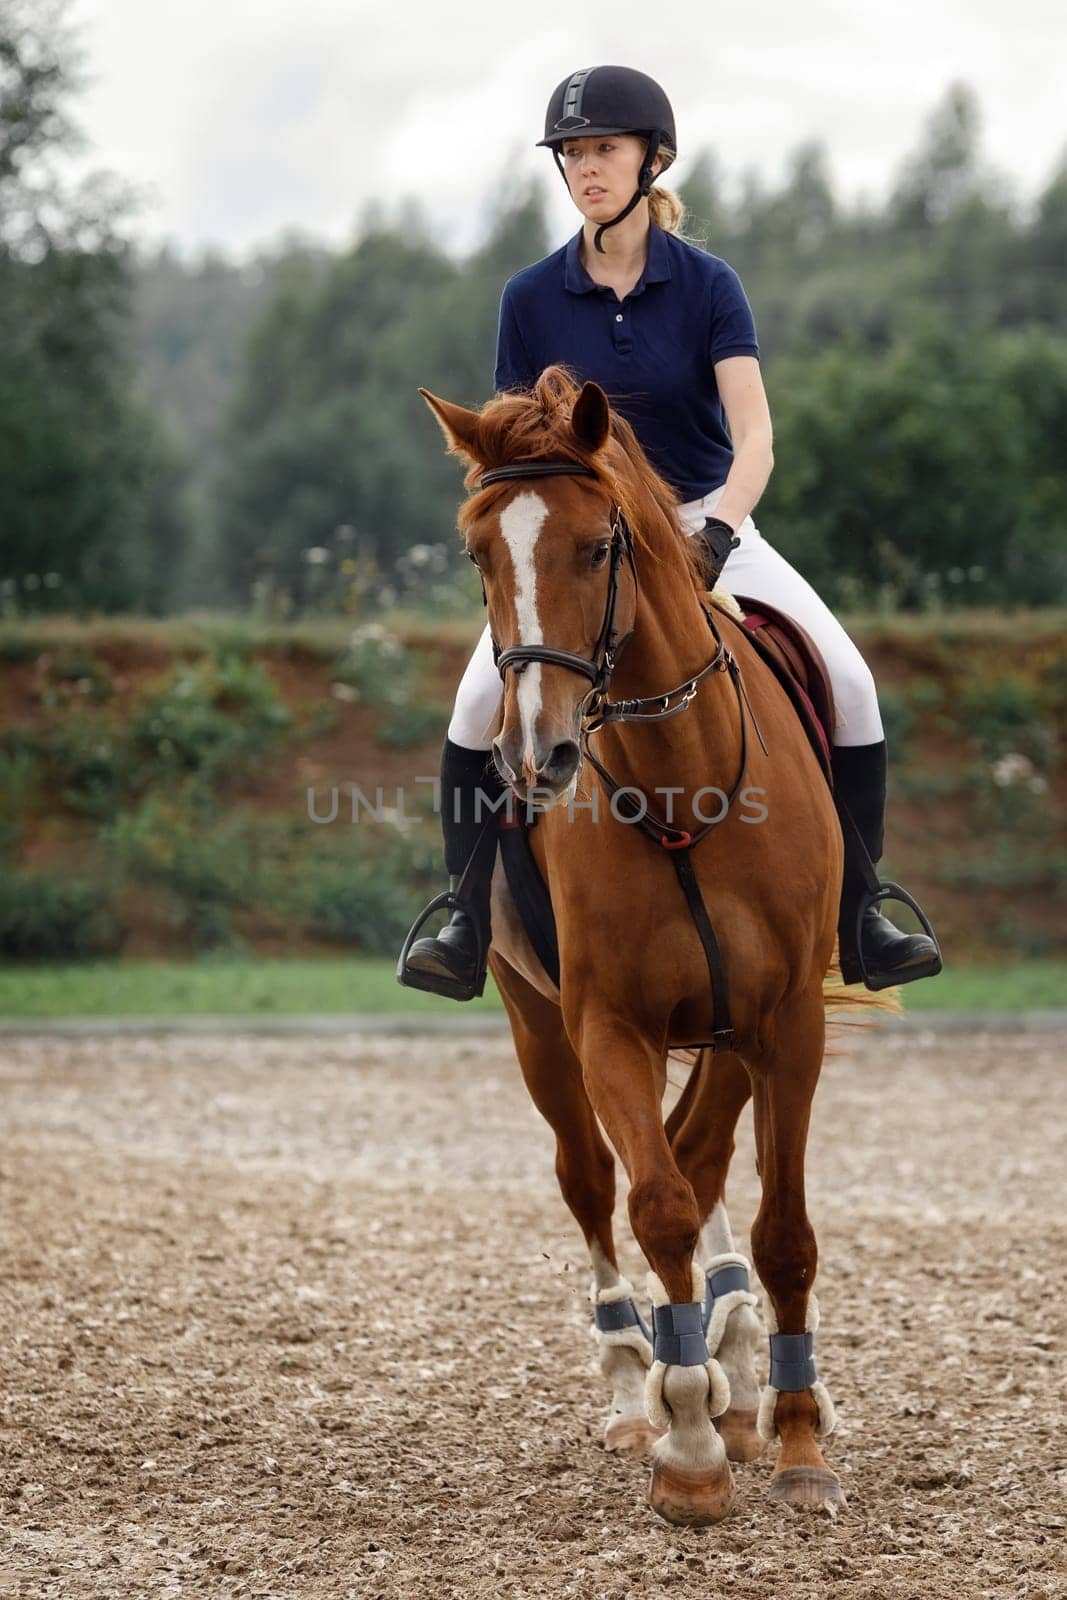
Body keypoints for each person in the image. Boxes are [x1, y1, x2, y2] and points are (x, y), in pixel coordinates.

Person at [399, 64, 941, 1001]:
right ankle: (460, 912)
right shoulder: (529, 297)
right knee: (469, 707)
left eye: (603, 150)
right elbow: (518, 442)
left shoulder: (707, 285)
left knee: (850, 684)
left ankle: (861, 911)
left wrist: (721, 532)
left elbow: (756, 436)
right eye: (570, 154)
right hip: (578, 539)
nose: (585, 169)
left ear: (652, 159)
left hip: (701, 520)